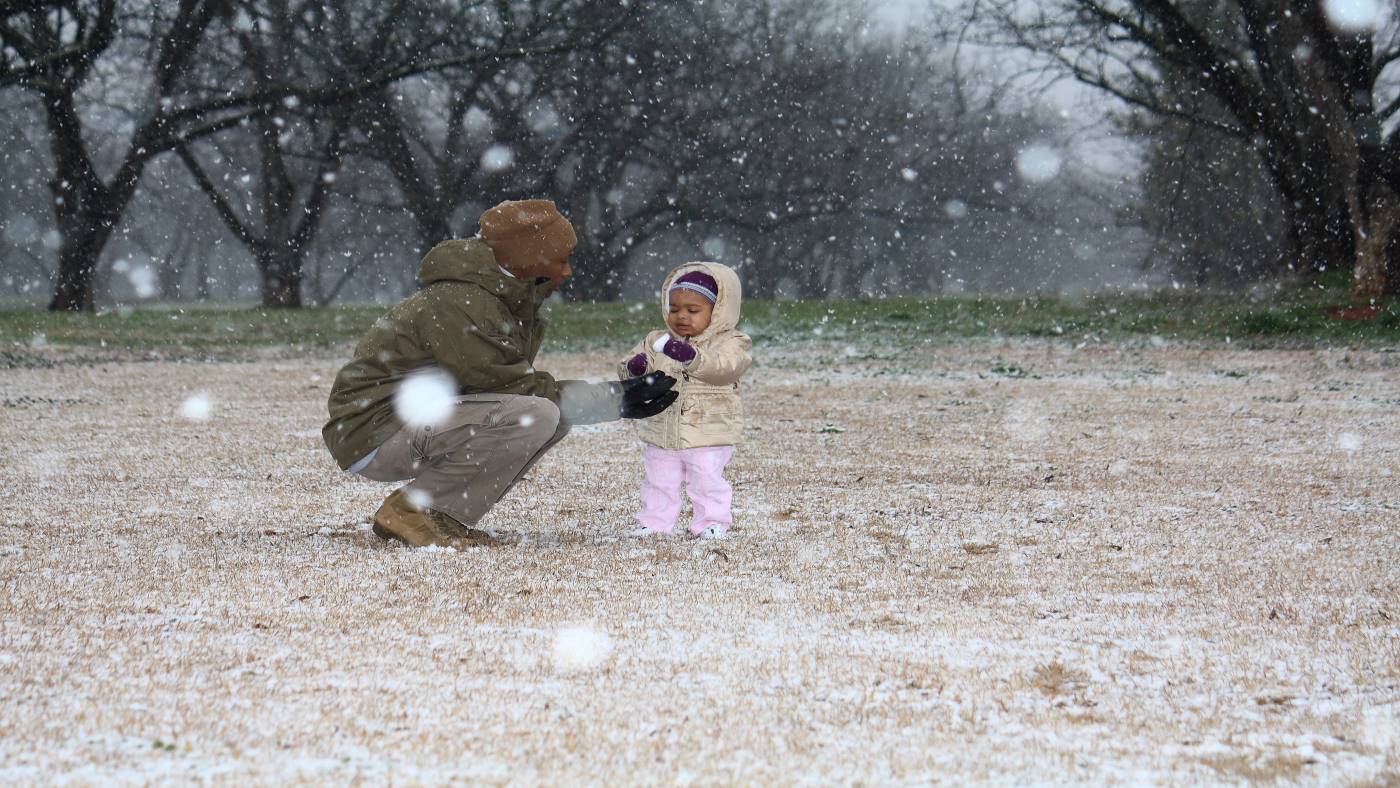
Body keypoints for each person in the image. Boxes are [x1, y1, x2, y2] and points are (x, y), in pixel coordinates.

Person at [322, 199, 678, 549]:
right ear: (529, 258)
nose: (567, 272)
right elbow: (513, 386)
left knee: (550, 415)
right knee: (535, 414)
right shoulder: (462, 302)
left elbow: (509, 385)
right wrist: (614, 399)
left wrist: (613, 400)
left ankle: (441, 516)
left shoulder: (498, 295)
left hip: (401, 424)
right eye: (560, 260)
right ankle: (412, 510)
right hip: (375, 434)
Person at [617, 263, 752, 539]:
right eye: (675, 308)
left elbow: (725, 368)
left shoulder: (731, 341)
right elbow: (625, 365)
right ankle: (654, 522)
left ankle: (712, 522)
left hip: (708, 430)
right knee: (658, 480)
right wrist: (635, 367)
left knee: (706, 480)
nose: (681, 316)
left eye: (693, 310)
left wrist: (691, 357)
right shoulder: (658, 340)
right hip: (663, 428)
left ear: (717, 311)